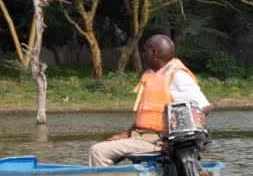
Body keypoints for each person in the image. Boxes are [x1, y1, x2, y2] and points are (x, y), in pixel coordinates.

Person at [88, 34, 212, 167]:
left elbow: (203, 107)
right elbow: (148, 118)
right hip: (143, 137)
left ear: (154, 52)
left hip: (157, 141)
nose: (143, 54)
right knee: (108, 146)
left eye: (145, 50)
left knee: (98, 151)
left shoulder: (177, 76)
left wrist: (174, 139)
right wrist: (127, 134)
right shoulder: (152, 74)